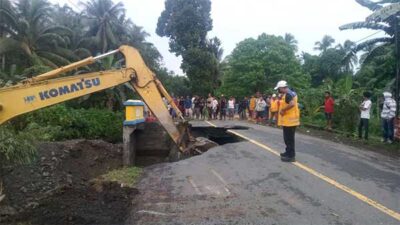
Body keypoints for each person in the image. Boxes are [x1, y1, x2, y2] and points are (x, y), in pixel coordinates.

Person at [275, 80, 300, 162]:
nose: (278, 90)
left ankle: (291, 156)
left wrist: (283, 110)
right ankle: (287, 152)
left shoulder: (288, 94)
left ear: (282, 88)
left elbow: (292, 104)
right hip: (290, 120)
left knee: (289, 139)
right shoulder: (291, 92)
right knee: (287, 138)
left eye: (279, 88)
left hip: (290, 121)